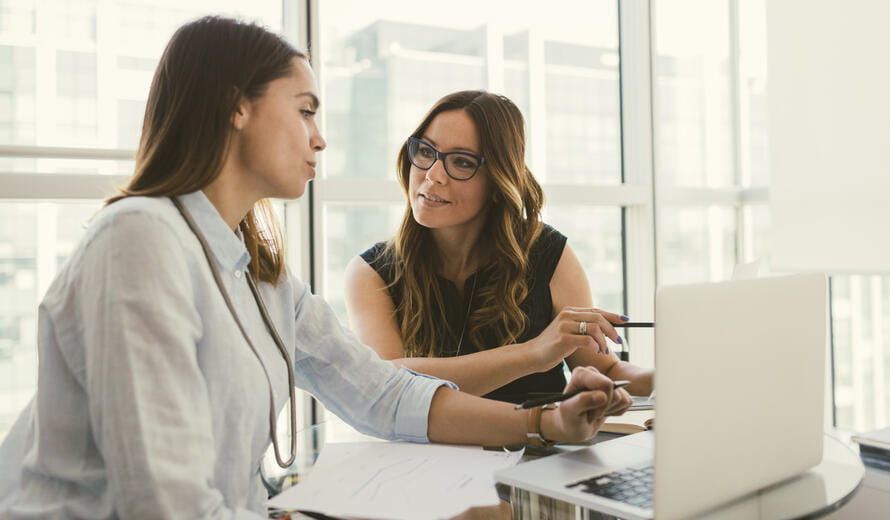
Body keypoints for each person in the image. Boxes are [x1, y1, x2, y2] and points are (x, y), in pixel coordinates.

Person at [0, 17, 632, 519]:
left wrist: (543, 422)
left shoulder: (261, 274)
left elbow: (381, 394)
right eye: (305, 110)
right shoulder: (139, 240)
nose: (320, 137)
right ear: (235, 107)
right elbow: (168, 506)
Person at [345, 90, 653, 404]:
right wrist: (534, 353)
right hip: (430, 453)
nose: (433, 176)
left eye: (462, 162)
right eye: (426, 152)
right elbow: (388, 387)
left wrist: (669, 377)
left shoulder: (547, 253)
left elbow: (604, 371)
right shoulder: (372, 272)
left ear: (498, 181)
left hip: (544, 449)